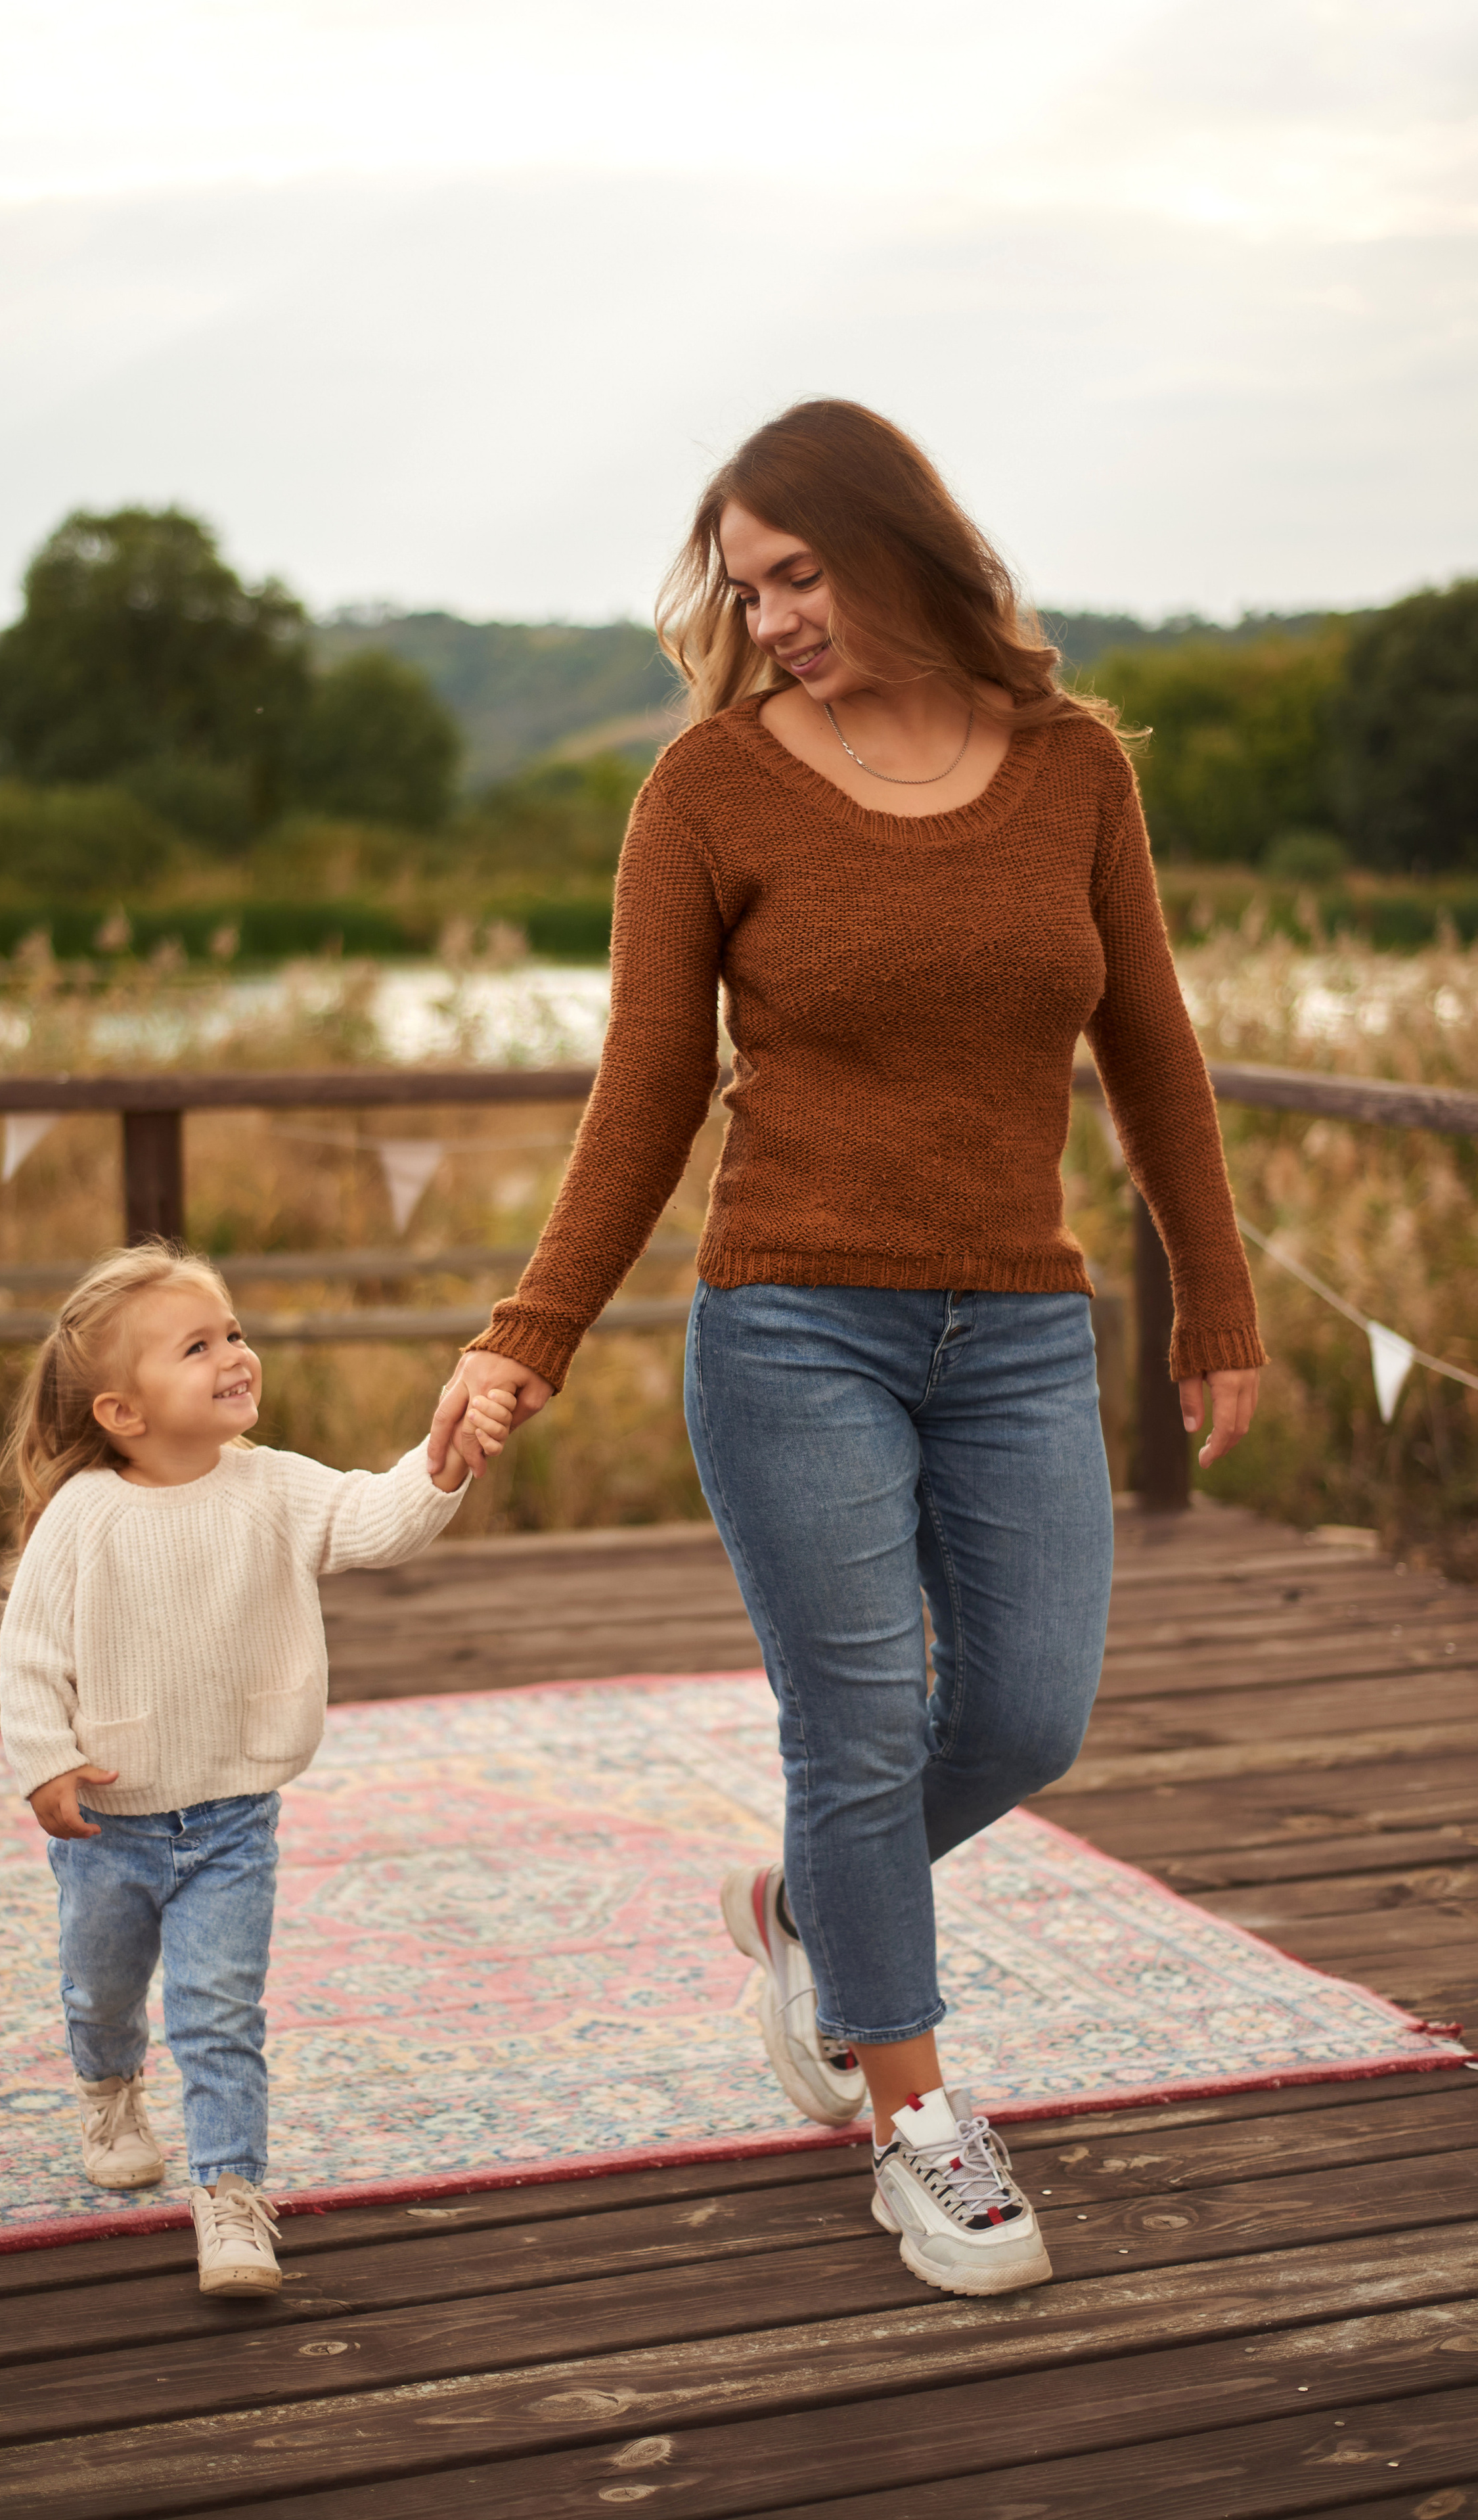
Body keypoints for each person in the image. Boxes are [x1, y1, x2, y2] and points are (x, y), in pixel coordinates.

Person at [429, 399, 1265, 2301]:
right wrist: (526, 1332)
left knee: (1032, 1712)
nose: (775, 612)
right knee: (861, 1724)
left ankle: (803, 1903)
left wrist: (1212, 1289)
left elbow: (1152, 1042)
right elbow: (642, 1095)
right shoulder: (709, 793)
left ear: (896, 541)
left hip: (1026, 1324)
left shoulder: (1070, 770)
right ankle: (917, 2114)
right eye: (747, 585)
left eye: (799, 571)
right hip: (792, 1316)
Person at [0, 1240, 514, 2297]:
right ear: (122, 1413)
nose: (236, 1354)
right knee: (101, 1988)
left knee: (221, 2010)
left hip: (233, 1819)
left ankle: (230, 2196)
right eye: (198, 1346)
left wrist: (440, 1459)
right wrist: (45, 1761)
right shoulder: (84, 1517)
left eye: (233, 1333)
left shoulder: (274, 1486)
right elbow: (30, 1650)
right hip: (112, 1819)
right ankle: (108, 2087)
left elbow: (376, 1518)